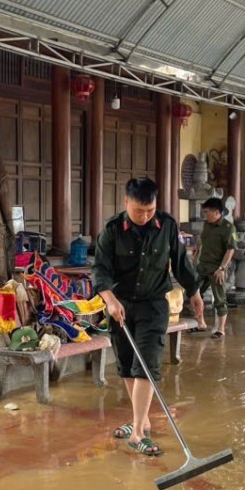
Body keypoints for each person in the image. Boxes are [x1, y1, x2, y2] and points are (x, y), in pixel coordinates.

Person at [93, 178, 205, 457]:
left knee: (147, 363)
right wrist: (110, 301)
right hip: (121, 305)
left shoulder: (166, 226)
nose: (145, 216)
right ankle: (138, 419)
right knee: (128, 364)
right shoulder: (111, 231)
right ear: (126, 203)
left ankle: (138, 433)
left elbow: (181, 262)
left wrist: (195, 292)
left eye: (150, 210)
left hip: (154, 305)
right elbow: (101, 271)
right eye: (139, 210)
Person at [195, 197, 237, 338]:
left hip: (217, 268)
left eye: (207, 212)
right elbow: (203, 238)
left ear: (216, 212)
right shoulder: (207, 224)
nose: (205, 215)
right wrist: (197, 246)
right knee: (194, 293)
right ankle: (200, 323)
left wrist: (222, 268)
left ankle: (221, 329)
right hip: (203, 265)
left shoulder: (228, 227)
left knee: (219, 298)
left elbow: (231, 249)